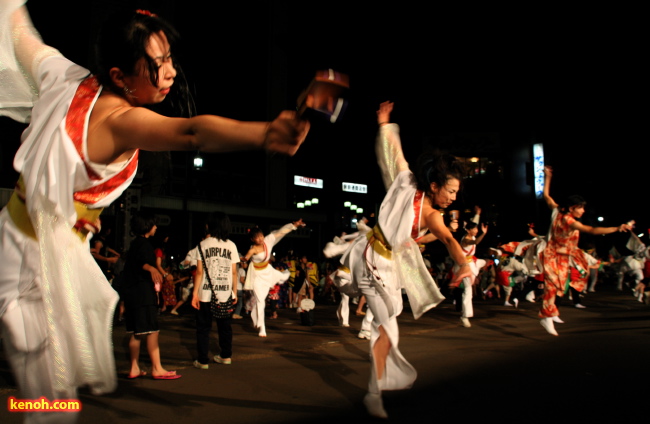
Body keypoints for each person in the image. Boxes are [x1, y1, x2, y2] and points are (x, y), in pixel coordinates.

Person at [0, 2, 309, 420]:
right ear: (119, 76)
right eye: (156, 63)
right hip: (36, 271)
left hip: (22, 244)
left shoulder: (63, 74)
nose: (170, 72)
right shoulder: (120, 120)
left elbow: (21, 35)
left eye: (168, 59)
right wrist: (266, 134)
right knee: (49, 402)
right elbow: (191, 131)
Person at [336, 102, 473, 419]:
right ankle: (374, 394)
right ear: (435, 185)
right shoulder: (406, 182)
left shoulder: (433, 215)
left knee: (392, 314)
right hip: (371, 258)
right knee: (389, 328)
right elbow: (394, 153)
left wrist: (463, 262)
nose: (453, 197)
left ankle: (349, 288)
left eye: (456, 193)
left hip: (389, 266)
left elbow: (448, 239)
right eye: (450, 191)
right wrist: (384, 123)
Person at [539, 166, 631, 335]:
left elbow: (546, 195)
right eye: (580, 207)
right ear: (572, 207)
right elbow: (592, 230)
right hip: (553, 254)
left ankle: (552, 313)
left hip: (567, 254)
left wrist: (548, 178)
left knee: (561, 286)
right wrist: (617, 228)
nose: (583, 210)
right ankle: (547, 316)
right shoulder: (569, 221)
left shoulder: (556, 209)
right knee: (552, 285)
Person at [121, 214, 180, 380]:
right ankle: (157, 368)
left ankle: (134, 368)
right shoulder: (144, 244)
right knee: (152, 331)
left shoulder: (134, 244)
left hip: (131, 294)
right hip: (143, 294)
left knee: (136, 333)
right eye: (153, 225)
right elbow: (143, 262)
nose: (156, 228)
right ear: (147, 227)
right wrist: (152, 269)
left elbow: (134, 263)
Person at [191, 211, 239, 368]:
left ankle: (203, 360)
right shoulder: (231, 245)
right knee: (225, 327)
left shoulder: (203, 245)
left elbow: (199, 272)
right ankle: (226, 355)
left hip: (205, 293)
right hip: (225, 294)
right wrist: (235, 292)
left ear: (209, 225)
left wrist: (194, 294)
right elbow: (233, 272)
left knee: (203, 328)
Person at [244, 220, 304, 337]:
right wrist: (243, 260)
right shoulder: (253, 249)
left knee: (283, 276)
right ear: (252, 240)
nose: (260, 239)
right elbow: (246, 257)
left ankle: (285, 274)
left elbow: (280, 232)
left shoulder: (267, 240)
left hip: (268, 271)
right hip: (257, 276)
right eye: (257, 238)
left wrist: (293, 226)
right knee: (261, 301)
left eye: (261, 236)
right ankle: (262, 327)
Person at [452, 221, 488, 328]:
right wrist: (484, 233)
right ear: (468, 230)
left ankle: (463, 312)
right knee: (468, 291)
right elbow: (476, 242)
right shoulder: (465, 240)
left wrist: (477, 215)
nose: (476, 231)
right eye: (474, 229)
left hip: (472, 262)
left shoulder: (471, 235)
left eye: (477, 229)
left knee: (485, 261)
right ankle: (465, 316)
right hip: (464, 265)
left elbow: (474, 226)